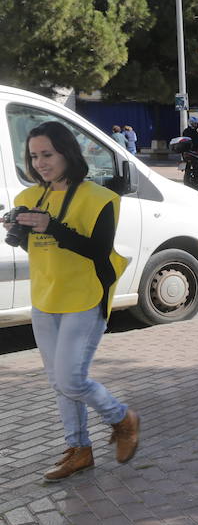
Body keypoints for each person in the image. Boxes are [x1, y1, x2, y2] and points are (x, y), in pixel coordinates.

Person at [2, 121, 139, 481]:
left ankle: (122, 418)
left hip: (85, 296)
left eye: (48, 154)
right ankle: (79, 449)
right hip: (45, 297)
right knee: (57, 380)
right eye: (34, 156)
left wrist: (53, 227)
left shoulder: (100, 198)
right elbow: (27, 246)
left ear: (67, 152)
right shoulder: (27, 199)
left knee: (72, 380)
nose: (41, 162)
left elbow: (98, 250)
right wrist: (16, 227)